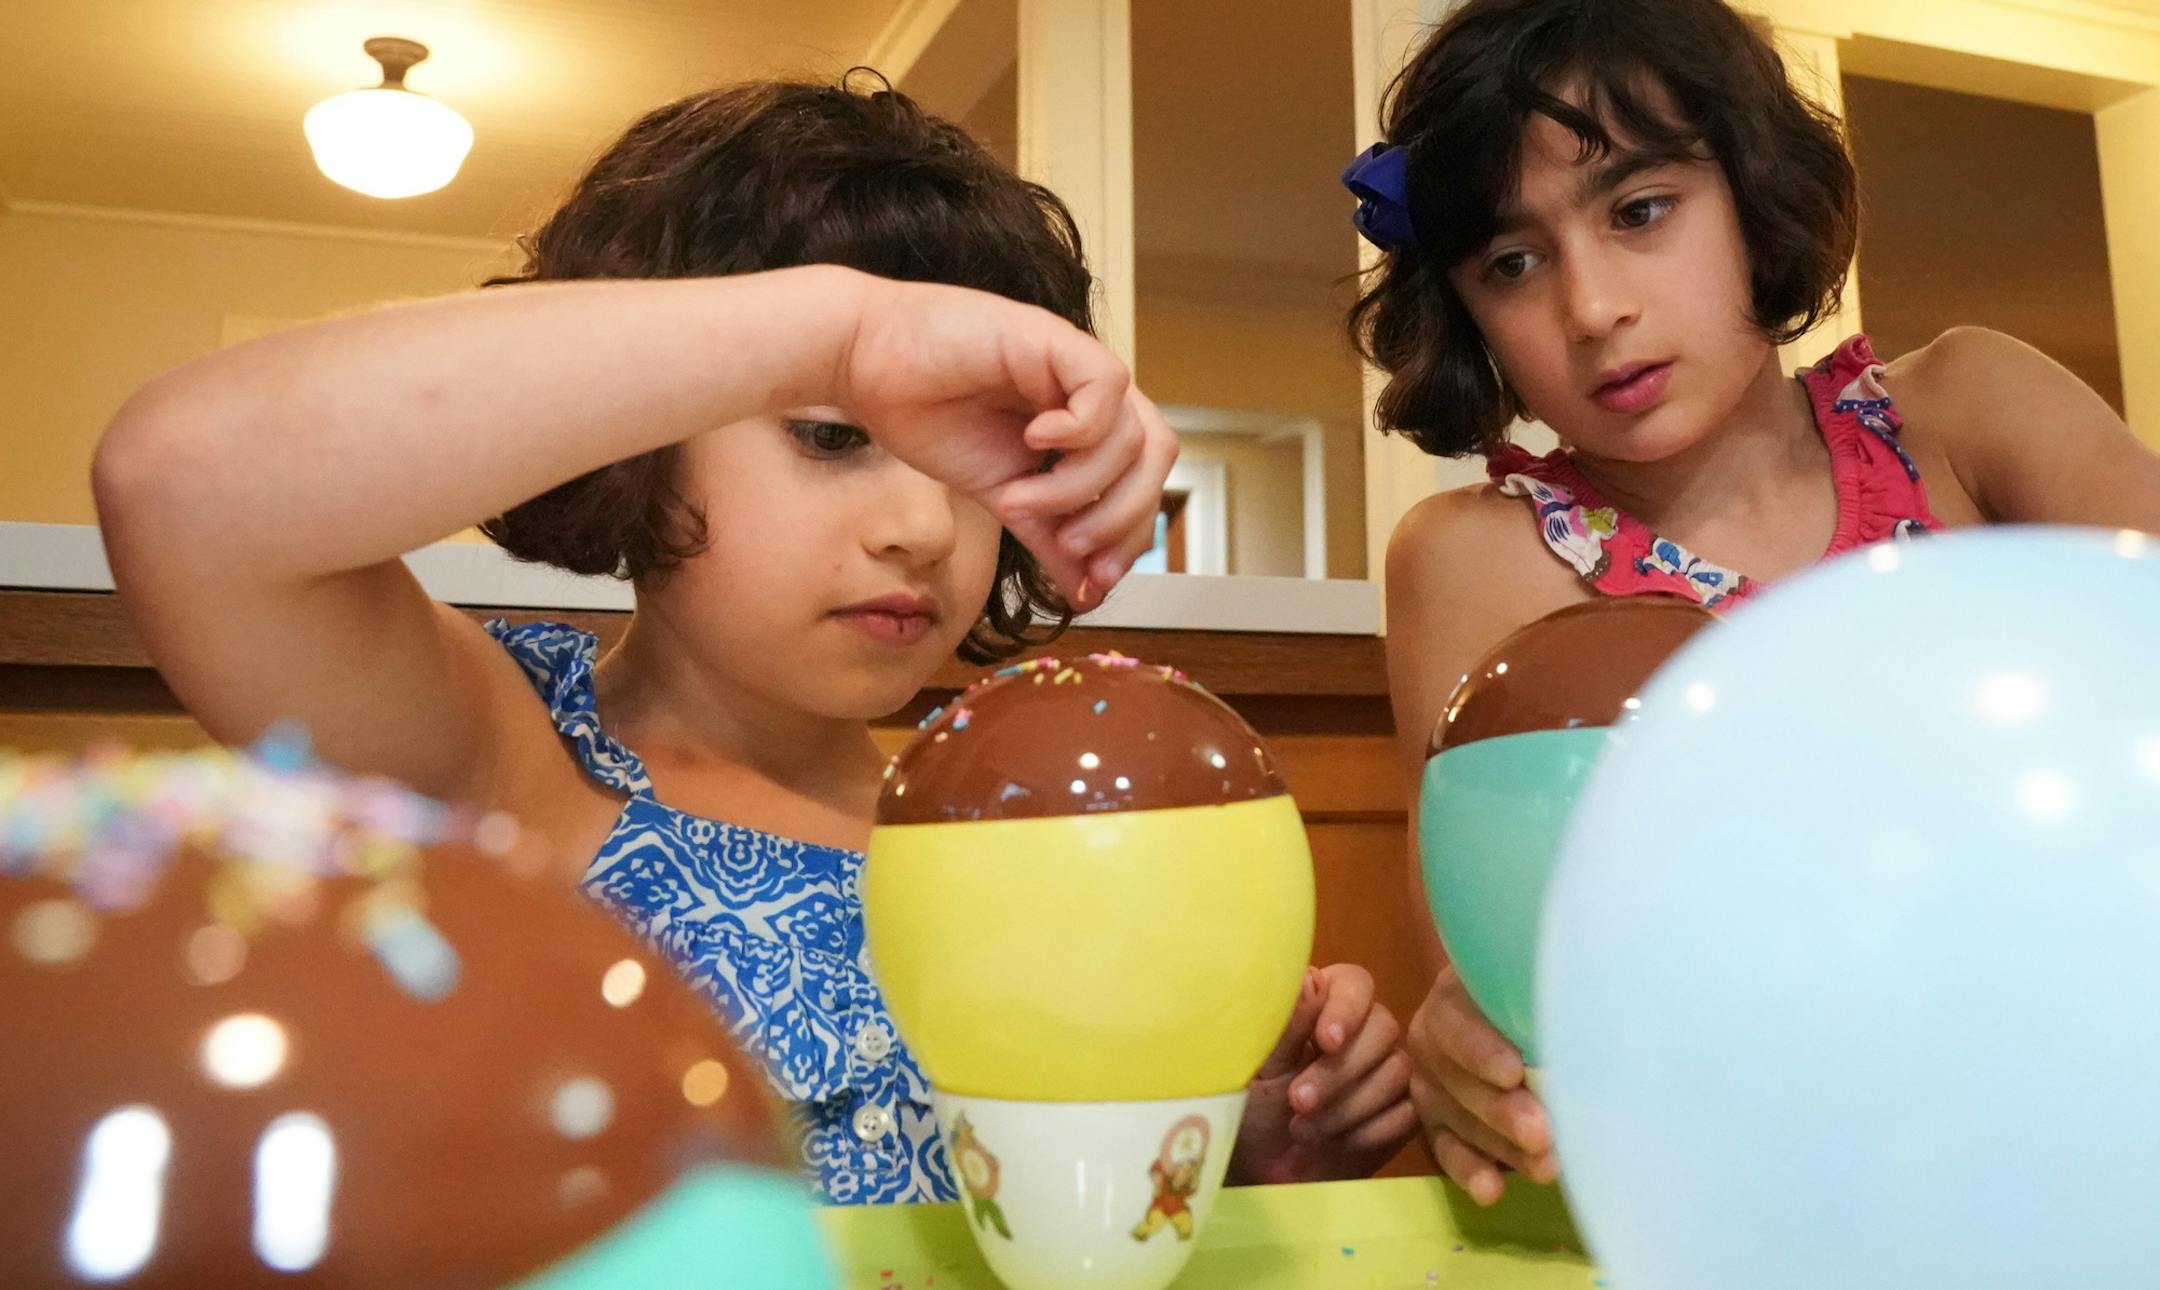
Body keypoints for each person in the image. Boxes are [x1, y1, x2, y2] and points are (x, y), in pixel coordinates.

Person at [96, 76, 1412, 1205]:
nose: (918, 523)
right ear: (639, 434)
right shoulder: (497, 758)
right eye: (831, 433)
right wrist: (837, 329)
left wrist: (1242, 1143)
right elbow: (180, 484)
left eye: (972, 457)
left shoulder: (1010, 822)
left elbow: (1048, 1191)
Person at [1342, 0, 2160, 1204]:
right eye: (1513, 263)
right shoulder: (1472, 557)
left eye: (1639, 211)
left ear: (1751, 188)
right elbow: (1502, 973)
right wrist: (1465, 1042)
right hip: (1735, 1182)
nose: (1591, 307)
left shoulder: (1975, 411)